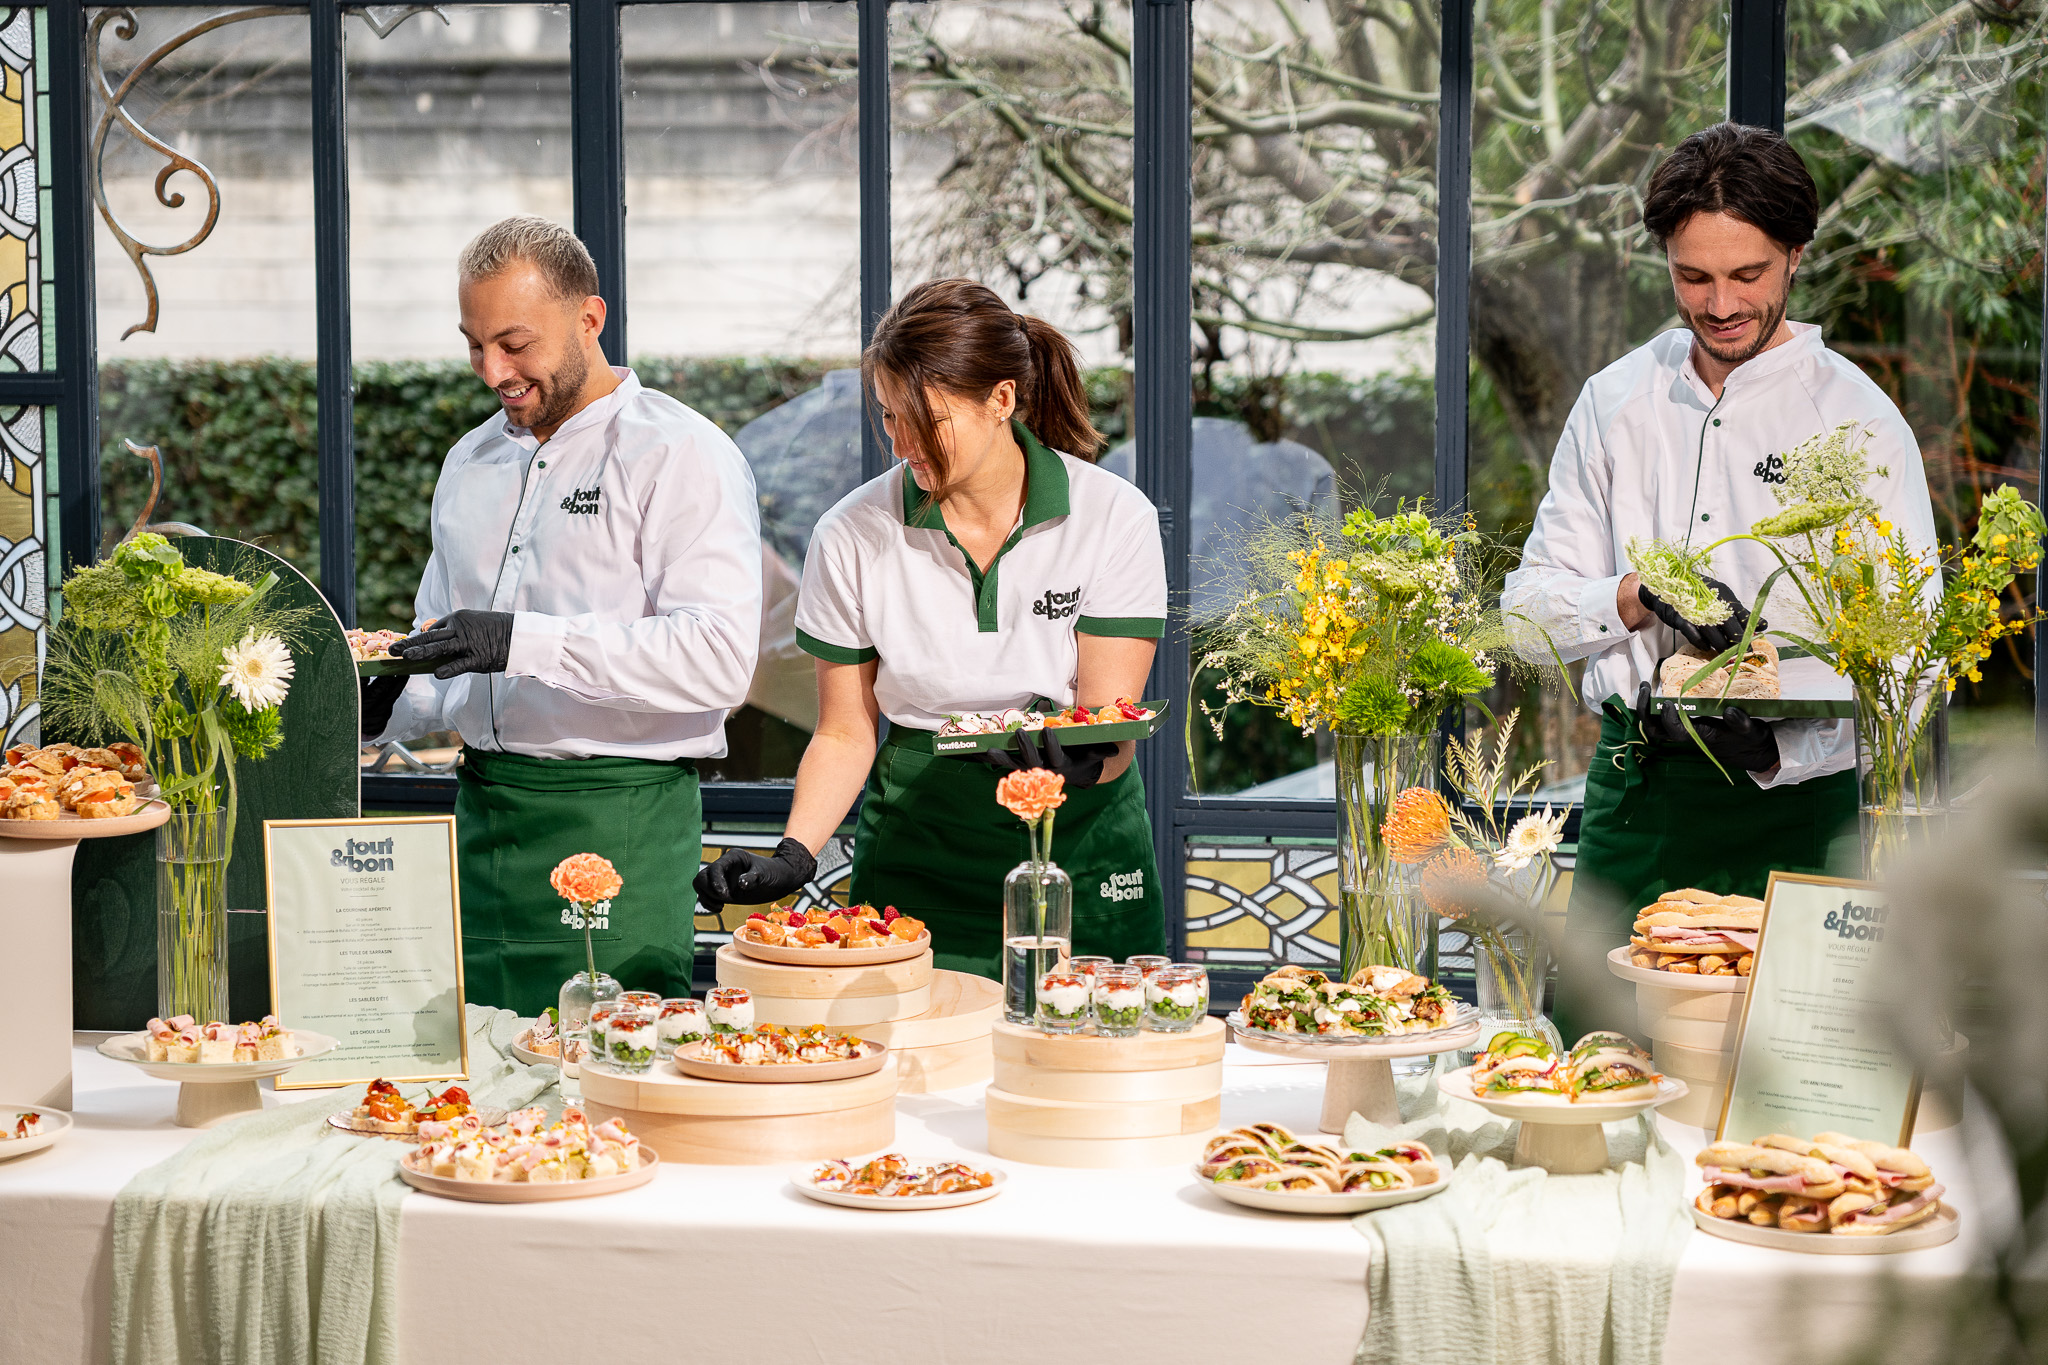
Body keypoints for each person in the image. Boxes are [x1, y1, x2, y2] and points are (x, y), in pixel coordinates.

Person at [1500, 125, 1937, 1034]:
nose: (1721, 302)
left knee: (1789, 1092)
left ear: (1795, 258)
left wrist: (1785, 749)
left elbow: (1915, 659)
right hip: (1638, 797)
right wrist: (1632, 595)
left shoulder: (1860, 420)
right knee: (1605, 1073)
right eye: (1694, 276)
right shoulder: (1616, 402)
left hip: (1800, 813)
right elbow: (1525, 613)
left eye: (1748, 275)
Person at [693, 278, 1168, 978]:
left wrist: (1085, 758)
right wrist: (794, 856)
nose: (903, 443)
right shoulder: (851, 534)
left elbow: (1111, 726)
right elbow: (845, 731)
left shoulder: (1111, 517)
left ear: (1000, 399)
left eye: (926, 420)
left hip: (1082, 853)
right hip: (920, 855)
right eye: (889, 417)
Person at [360, 216, 762, 1014]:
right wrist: (380, 699)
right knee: (474, 1102)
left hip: (622, 823)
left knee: (611, 1089)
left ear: (590, 318)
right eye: (474, 345)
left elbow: (718, 658)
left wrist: (521, 641)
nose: (491, 371)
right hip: (482, 824)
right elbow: (447, 662)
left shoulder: (681, 453)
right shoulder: (466, 463)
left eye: (515, 343)